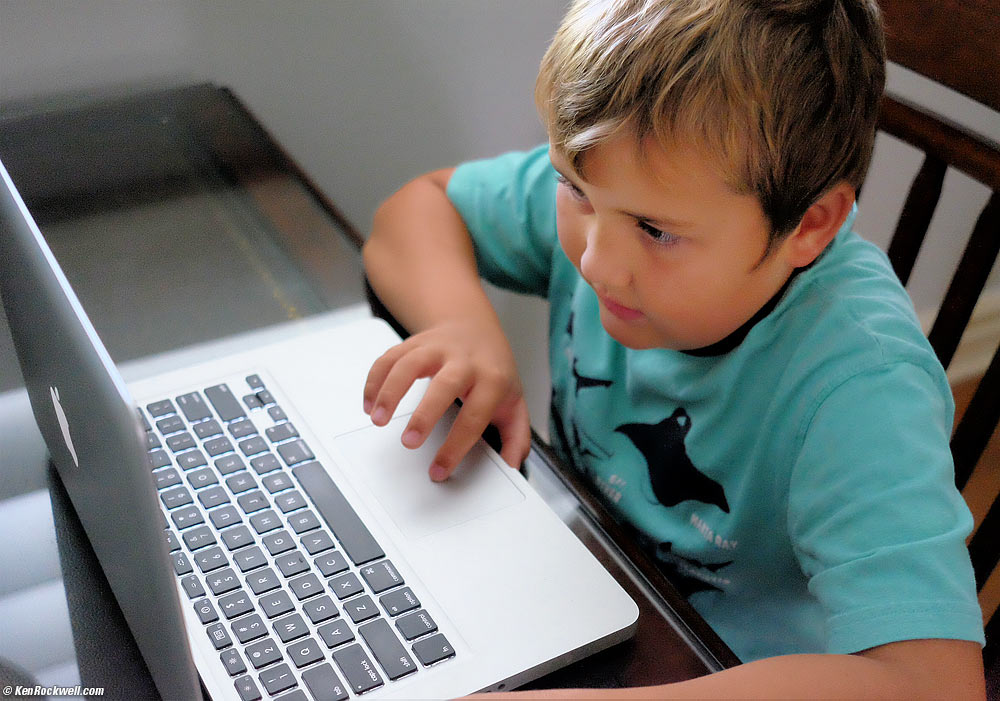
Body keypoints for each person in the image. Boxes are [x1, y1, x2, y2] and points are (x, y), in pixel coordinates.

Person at [361, 0, 987, 696]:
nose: (597, 262)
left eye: (657, 232)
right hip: (574, 586)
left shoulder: (862, 384)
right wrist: (464, 326)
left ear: (809, 225)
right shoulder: (625, 192)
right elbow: (417, 209)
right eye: (574, 188)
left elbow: (937, 683)